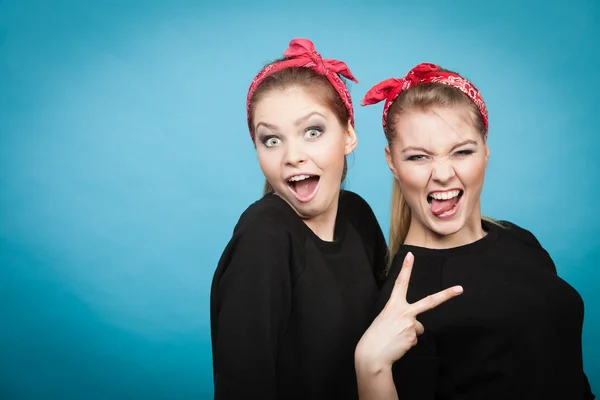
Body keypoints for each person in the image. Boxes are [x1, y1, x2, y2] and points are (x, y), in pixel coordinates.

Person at [210, 40, 462, 399]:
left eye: (312, 132)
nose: (292, 156)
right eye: (271, 140)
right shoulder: (263, 238)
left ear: (348, 135)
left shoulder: (356, 215)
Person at [355, 62, 595, 399]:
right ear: (392, 162)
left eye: (462, 151)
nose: (442, 174)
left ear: (485, 151)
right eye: (419, 157)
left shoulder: (517, 238)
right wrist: (371, 367)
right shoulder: (406, 302)